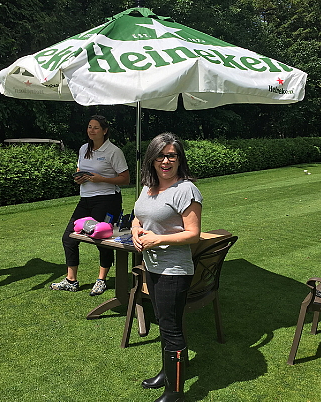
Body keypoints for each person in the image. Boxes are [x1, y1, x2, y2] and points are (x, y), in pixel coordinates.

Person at [131, 133, 202, 402]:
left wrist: (157, 239)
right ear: (151, 159)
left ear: (179, 159)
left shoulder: (186, 190)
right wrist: (136, 230)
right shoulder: (148, 186)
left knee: (171, 326)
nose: (166, 161)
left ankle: (175, 392)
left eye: (172, 155)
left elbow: (193, 234)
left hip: (175, 269)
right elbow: (138, 215)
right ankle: (167, 372)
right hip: (153, 265)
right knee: (163, 321)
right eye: (160, 155)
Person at [52, 115, 130, 296]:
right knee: (69, 237)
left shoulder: (113, 151)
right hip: (86, 199)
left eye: (96, 127)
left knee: (101, 240)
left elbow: (125, 179)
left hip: (107, 199)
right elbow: (80, 170)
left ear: (105, 131)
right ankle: (71, 280)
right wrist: (79, 178)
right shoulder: (83, 149)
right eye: (89, 127)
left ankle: (101, 280)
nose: (91, 130)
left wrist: (100, 179)